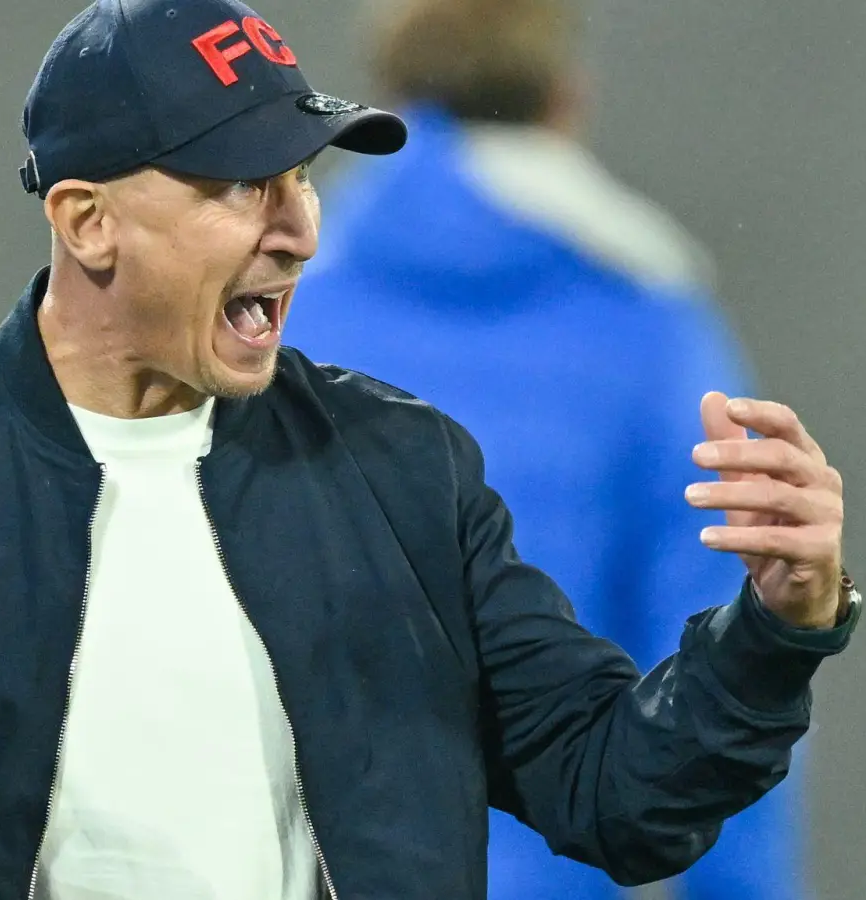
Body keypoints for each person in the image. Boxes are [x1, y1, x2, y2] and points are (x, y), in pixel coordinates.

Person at [0, 1, 862, 898]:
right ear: (88, 222)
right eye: (237, 187)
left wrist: (773, 630)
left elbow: (616, 796)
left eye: (302, 178)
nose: (297, 230)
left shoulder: (402, 470)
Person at [285, 1, 810, 898]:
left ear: (387, 98)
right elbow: (731, 651)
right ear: (568, 99)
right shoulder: (655, 327)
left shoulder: (278, 309)